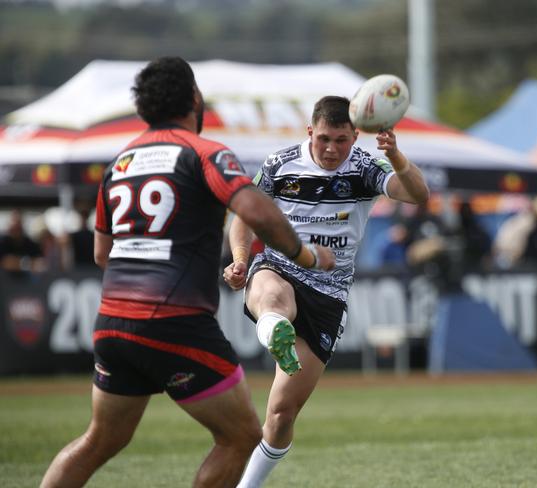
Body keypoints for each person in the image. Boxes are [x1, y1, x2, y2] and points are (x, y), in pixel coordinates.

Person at [40, 56, 334, 488]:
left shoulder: (119, 163)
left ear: (143, 108)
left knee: (100, 439)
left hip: (113, 324)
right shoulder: (204, 152)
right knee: (243, 437)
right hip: (174, 321)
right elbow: (253, 209)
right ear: (195, 100)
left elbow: (104, 254)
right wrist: (305, 256)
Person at [223, 95, 429, 487]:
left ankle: (248, 484)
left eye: (341, 140)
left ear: (355, 136)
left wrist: (397, 155)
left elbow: (417, 194)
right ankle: (272, 327)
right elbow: (244, 216)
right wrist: (238, 258)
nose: (332, 149)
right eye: (323, 139)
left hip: (329, 294)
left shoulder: (367, 168)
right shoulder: (280, 164)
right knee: (272, 297)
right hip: (279, 267)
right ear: (309, 133)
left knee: (281, 415)